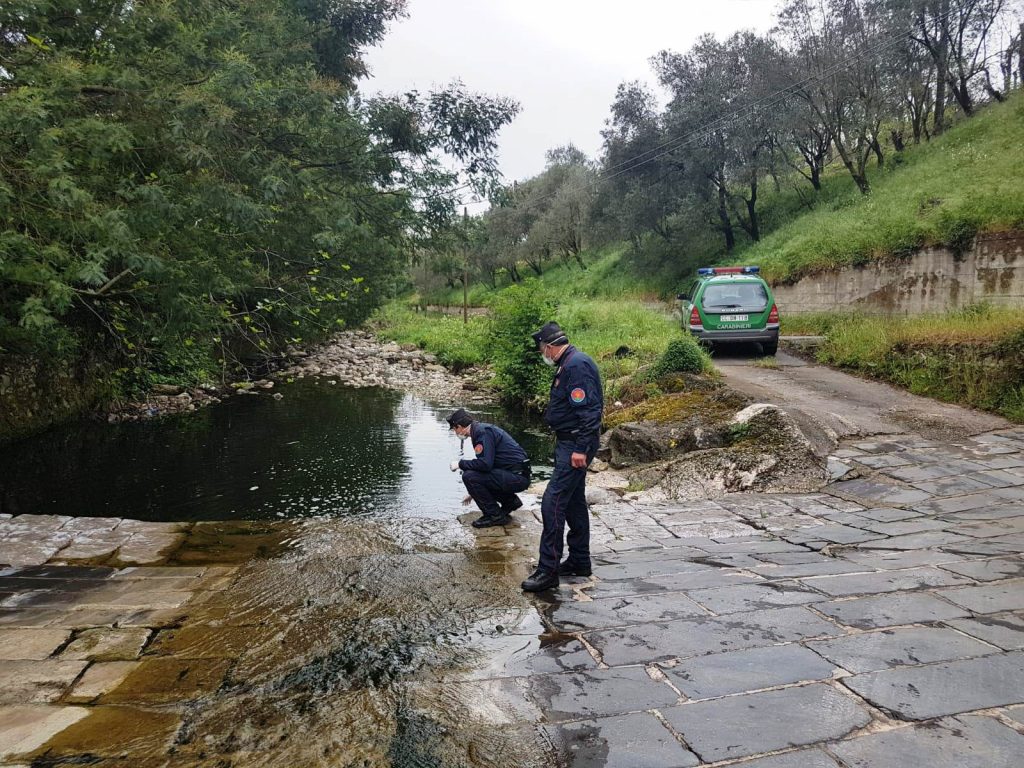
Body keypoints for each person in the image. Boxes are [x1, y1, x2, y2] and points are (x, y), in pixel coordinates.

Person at [521, 322, 603, 592]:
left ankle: (548, 570)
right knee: (574, 502)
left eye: (542, 348)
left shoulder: (576, 365)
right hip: (569, 442)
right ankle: (580, 560)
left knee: (552, 502)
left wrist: (581, 448)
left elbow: (589, 410)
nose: (542, 353)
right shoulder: (568, 363)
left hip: (575, 444)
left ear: (549, 346)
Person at [447, 408, 532, 528]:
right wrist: (473, 492)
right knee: (473, 474)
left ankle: (494, 516)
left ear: (459, 426)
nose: (455, 432)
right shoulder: (480, 430)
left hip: (517, 477)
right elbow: (488, 465)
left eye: (454, 429)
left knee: (468, 476)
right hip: (516, 475)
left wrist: (460, 464)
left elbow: (485, 464)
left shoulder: (482, 433)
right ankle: (510, 502)